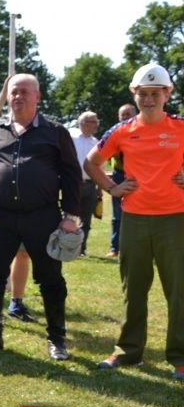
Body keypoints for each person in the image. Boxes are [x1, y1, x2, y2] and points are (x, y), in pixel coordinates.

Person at [84, 63, 184, 381]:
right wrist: (112, 188)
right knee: (134, 289)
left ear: (168, 93)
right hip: (135, 219)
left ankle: (180, 357)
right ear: (134, 94)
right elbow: (91, 162)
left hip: (176, 219)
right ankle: (128, 352)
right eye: (143, 93)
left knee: (179, 290)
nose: (149, 99)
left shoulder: (181, 127)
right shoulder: (122, 130)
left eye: (156, 93)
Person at [0, 73, 81, 360]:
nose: (17, 97)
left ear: (37, 96)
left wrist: (70, 215)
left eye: (24, 92)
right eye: (13, 92)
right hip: (1, 219)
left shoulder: (56, 132)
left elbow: (72, 176)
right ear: (7, 97)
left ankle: (56, 339)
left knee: (51, 281)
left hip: (43, 218)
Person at [105, 104, 138, 257]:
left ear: (135, 114)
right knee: (117, 215)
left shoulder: (142, 130)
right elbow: (111, 153)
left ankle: (137, 248)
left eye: (128, 113)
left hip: (139, 175)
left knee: (140, 214)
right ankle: (114, 248)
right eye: (122, 114)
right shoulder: (115, 132)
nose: (125, 117)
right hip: (119, 175)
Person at [71, 111, 101, 256]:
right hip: (72, 184)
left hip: (90, 185)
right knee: (68, 217)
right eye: (94, 122)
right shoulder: (71, 138)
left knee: (86, 221)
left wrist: (99, 188)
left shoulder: (95, 143)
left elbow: (99, 166)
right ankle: (66, 246)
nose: (97, 124)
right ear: (84, 123)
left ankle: (80, 249)